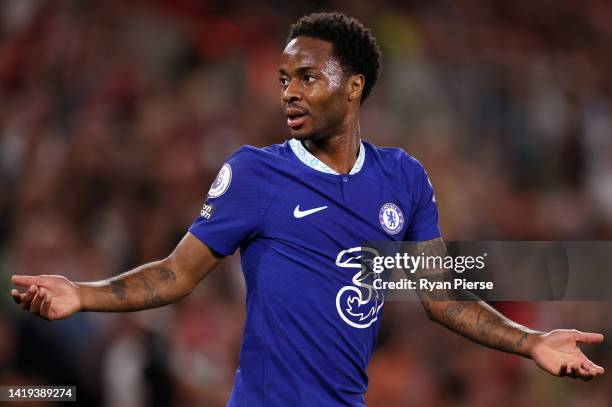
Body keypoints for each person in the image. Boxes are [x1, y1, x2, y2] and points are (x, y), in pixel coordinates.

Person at [10, 12, 604, 407]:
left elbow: (442, 298)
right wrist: (81, 293)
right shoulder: (254, 173)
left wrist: (531, 342)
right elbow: (176, 273)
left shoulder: (405, 178)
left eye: (308, 76)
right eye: (283, 78)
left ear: (354, 87)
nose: (289, 91)